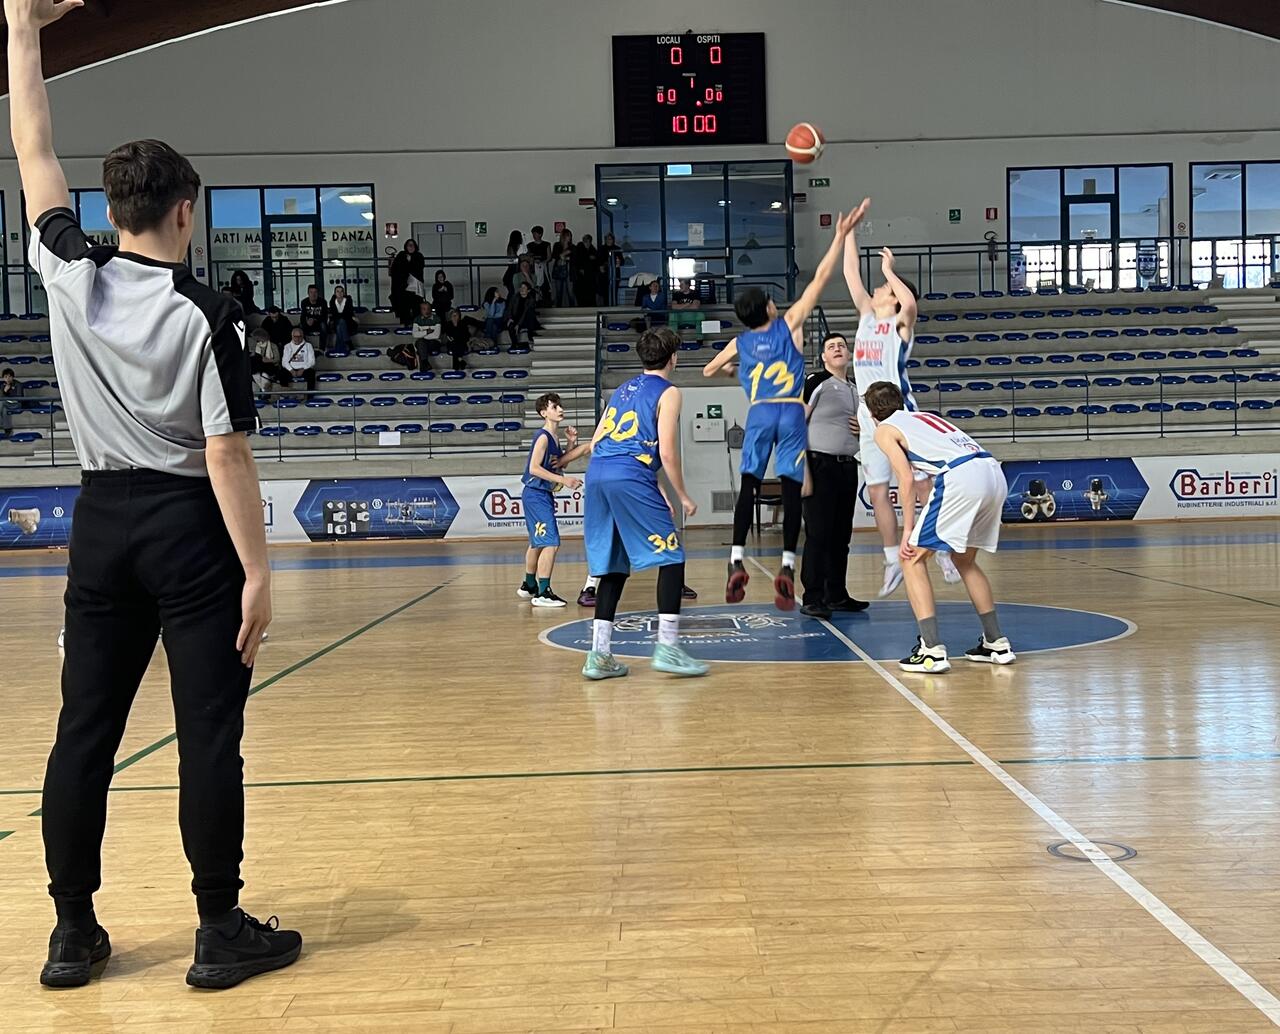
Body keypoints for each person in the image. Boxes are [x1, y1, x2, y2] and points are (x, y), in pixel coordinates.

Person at [8, 0, 299, 991]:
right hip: (187, 528)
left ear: (110, 211)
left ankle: (71, 931)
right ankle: (218, 927)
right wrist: (257, 571)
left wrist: (21, 29)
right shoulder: (210, 313)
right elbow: (224, 454)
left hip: (99, 523)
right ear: (184, 211)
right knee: (208, 732)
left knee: (83, 734)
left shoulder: (68, 272)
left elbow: (33, 149)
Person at [702, 209, 858, 611]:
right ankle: (787, 565)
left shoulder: (740, 342)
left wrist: (737, 371)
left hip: (759, 412)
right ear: (769, 309)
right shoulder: (788, 326)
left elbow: (708, 370)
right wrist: (840, 235)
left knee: (749, 485)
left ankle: (736, 558)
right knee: (791, 491)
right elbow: (820, 279)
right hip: (789, 411)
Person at [559, 327, 707, 679]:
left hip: (599, 474)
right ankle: (668, 648)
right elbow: (666, 452)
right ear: (673, 358)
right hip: (629, 473)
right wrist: (682, 495)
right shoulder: (669, 392)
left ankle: (599, 656)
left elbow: (598, 442)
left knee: (612, 565)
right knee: (672, 556)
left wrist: (651, 486)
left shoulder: (621, 390)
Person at [843, 199, 961, 596]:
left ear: (893, 297)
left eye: (884, 288)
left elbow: (910, 302)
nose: (876, 289)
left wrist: (889, 271)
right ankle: (892, 558)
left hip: (899, 411)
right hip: (867, 412)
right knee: (877, 489)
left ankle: (939, 548)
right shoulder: (865, 316)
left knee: (923, 484)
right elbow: (849, 273)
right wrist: (848, 233)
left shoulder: (899, 323)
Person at [865, 381, 1015, 673]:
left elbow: (906, 479)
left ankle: (931, 651)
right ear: (900, 402)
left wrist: (908, 530)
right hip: (993, 473)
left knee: (911, 559)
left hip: (961, 476)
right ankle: (996, 642)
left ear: (872, 413)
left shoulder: (884, 429)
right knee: (964, 560)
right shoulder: (923, 417)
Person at [799, 334, 869, 619]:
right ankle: (813, 596)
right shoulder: (816, 381)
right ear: (824, 357)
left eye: (841, 345)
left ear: (849, 353)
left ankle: (836, 594)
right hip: (819, 466)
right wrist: (803, 470)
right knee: (818, 534)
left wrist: (863, 429)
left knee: (841, 536)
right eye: (831, 347)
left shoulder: (854, 389)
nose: (837, 349)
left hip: (847, 466)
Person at [517, 393, 581, 608]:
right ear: (544, 413)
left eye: (560, 406)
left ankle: (529, 584)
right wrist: (563, 480)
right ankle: (543, 592)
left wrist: (570, 444)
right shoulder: (543, 437)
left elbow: (560, 464)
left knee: (538, 542)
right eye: (555, 407)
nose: (560, 409)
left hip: (540, 494)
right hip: (535, 494)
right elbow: (534, 468)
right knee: (551, 543)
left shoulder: (554, 437)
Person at [389, 239, 426, 326]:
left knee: (416, 307)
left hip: (416, 287)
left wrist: (410, 261)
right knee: (404, 307)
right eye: (409, 245)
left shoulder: (419, 256)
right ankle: (405, 324)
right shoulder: (401, 255)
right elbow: (395, 269)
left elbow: (418, 268)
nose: (411, 247)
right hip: (404, 287)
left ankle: (416, 325)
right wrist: (407, 262)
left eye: (412, 245)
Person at [283, 326, 317, 394]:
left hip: (304, 369)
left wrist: (303, 369)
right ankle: (285, 395)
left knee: (311, 373)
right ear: (292, 336)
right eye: (295, 336)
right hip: (291, 369)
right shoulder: (287, 346)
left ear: (302, 336)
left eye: (299, 336)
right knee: (282, 373)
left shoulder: (308, 345)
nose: (297, 338)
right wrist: (291, 370)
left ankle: (310, 395)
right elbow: (284, 362)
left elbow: (312, 361)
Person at [507, 281, 541, 345]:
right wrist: (510, 318)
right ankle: (514, 344)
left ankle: (530, 335)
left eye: (524, 288)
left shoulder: (531, 300)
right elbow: (509, 308)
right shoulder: (515, 297)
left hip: (525, 320)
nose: (522, 289)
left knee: (530, 313)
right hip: (515, 318)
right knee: (511, 326)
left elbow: (524, 314)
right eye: (521, 287)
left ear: (528, 290)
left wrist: (518, 324)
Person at [411, 300, 441, 369]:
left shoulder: (436, 318)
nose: (426, 311)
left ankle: (424, 363)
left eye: (428, 309)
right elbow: (414, 334)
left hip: (434, 342)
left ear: (431, 309)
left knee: (421, 346)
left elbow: (436, 335)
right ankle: (425, 363)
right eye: (424, 309)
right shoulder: (417, 319)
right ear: (421, 310)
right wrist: (427, 332)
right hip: (422, 343)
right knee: (421, 343)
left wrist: (421, 334)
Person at [327, 284, 357, 351]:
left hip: (348, 323)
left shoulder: (348, 300)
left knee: (340, 324)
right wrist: (342, 316)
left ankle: (339, 347)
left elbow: (348, 314)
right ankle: (348, 342)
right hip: (336, 322)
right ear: (335, 293)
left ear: (344, 293)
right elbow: (334, 315)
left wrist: (340, 316)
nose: (340, 293)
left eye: (341, 291)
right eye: (337, 291)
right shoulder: (332, 302)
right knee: (339, 323)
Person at [526, 225, 551, 302]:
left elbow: (549, 257)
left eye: (535, 234)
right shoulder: (530, 245)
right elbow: (528, 256)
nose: (534, 236)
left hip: (543, 268)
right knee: (534, 285)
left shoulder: (546, 244)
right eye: (533, 234)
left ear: (540, 234)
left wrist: (543, 262)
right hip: (533, 268)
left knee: (544, 287)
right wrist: (533, 260)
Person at [572, 234, 598, 309]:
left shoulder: (592, 249)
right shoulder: (579, 248)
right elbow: (577, 261)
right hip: (581, 276)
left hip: (590, 275)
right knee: (582, 294)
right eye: (586, 241)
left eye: (589, 241)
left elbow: (596, 260)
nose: (587, 243)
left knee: (590, 294)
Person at [550, 230, 575, 307]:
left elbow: (575, 258)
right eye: (568, 235)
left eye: (570, 235)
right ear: (563, 236)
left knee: (570, 291)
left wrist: (564, 257)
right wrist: (563, 255)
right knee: (558, 292)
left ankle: (572, 309)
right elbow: (555, 257)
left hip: (569, 270)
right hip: (559, 269)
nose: (569, 237)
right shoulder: (557, 245)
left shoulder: (572, 247)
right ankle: (558, 308)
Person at [599, 232, 623, 305]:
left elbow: (622, 261)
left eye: (610, 239)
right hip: (605, 274)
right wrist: (601, 266)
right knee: (605, 293)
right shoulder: (601, 249)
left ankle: (614, 306)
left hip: (615, 274)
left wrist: (619, 262)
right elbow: (598, 261)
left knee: (614, 292)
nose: (609, 240)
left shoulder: (617, 249)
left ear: (613, 240)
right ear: (605, 240)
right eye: (607, 239)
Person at [0, 365, 24, 438]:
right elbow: (2, 397)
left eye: (9, 376)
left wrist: (9, 398)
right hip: (6, 404)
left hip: (17, 404)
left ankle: (1, 423)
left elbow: (19, 397)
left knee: (2, 403)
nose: (7, 379)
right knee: (5, 410)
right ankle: (7, 429)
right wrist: (5, 391)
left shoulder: (18, 384)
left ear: (12, 377)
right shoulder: (3, 386)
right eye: (5, 377)